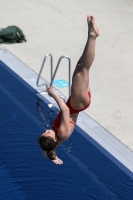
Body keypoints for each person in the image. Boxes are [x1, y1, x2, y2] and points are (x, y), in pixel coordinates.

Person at [37, 15, 99, 165]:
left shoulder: (54, 141)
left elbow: (46, 151)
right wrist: (54, 95)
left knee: (80, 66)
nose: (46, 131)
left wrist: (52, 157)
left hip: (75, 101)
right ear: (53, 139)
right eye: (47, 134)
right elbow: (65, 111)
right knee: (83, 69)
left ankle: (91, 35)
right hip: (76, 103)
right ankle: (93, 36)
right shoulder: (63, 133)